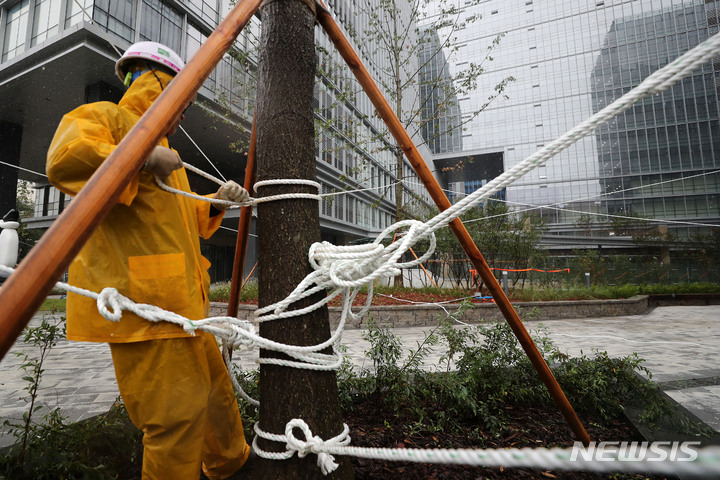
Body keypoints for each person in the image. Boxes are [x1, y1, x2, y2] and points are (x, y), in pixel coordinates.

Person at [46, 41, 252, 480]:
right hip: (144, 308)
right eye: (183, 101)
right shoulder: (107, 120)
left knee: (214, 393)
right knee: (175, 416)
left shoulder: (165, 153)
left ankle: (229, 464)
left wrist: (216, 202)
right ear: (157, 82)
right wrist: (139, 157)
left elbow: (182, 217)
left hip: (183, 306)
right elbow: (63, 161)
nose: (183, 115)